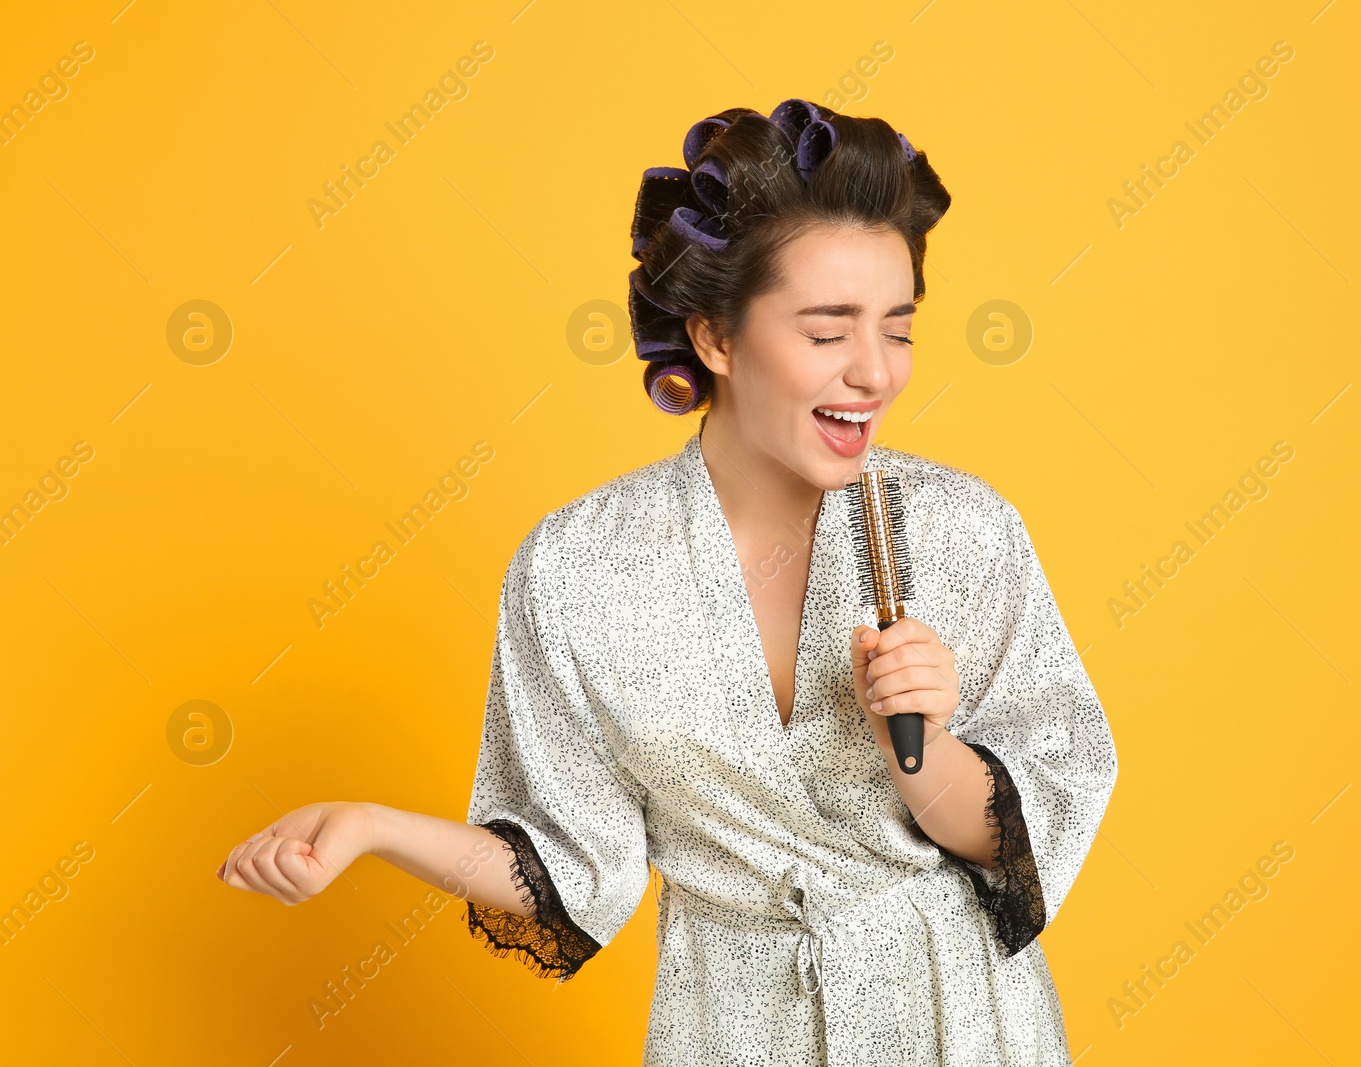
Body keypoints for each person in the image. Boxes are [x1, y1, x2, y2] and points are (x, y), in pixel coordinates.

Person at [217, 98, 1118, 1066]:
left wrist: (922, 745)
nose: (873, 372)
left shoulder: (959, 530)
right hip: (726, 1021)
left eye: (896, 329)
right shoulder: (578, 564)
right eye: (827, 331)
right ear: (716, 338)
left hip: (960, 1022)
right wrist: (370, 827)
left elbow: (1017, 839)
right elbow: (570, 866)